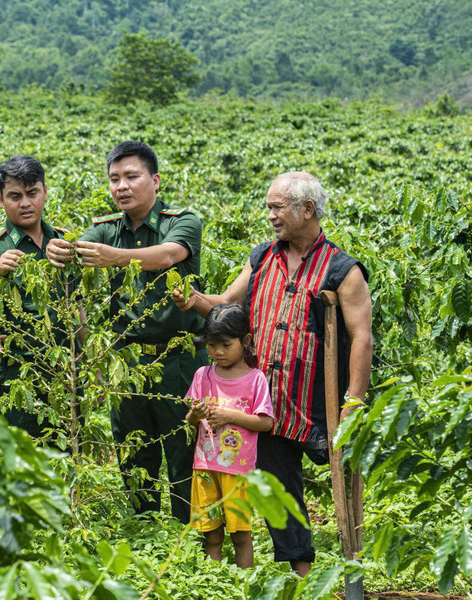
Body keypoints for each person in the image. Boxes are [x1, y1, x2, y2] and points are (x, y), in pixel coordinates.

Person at [173, 171, 373, 576]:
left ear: (307, 210)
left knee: (342, 475)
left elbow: (362, 338)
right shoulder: (262, 257)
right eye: (270, 207)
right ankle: (299, 570)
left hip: (318, 400)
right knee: (281, 489)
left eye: (277, 207)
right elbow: (224, 305)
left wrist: (354, 399)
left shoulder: (343, 270)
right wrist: (192, 300)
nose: (271, 216)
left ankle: (354, 564)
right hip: (269, 401)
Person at [45, 141, 208, 522]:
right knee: (134, 452)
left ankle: (192, 533)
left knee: (185, 448)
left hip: (180, 357)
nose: (122, 186)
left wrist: (114, 258)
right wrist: (58, 251)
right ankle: (143, 526)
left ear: (155, 180)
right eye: (114, 179)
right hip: (128, 359)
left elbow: (168, 255)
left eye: (131, 177)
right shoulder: (106, 229)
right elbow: (77, 251)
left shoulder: (182, 221)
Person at [0, 154, 69, 439]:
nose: (25, 203)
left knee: (65, 461)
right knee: (22, 466)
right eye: (15, 196)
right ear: (1, 200)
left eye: (32, 193)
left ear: (45, 192)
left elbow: (76, 308)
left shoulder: (62, 242)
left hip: (65, 373)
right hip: (18, 376)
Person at [185, 303, 273, 569]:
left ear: (245, 341)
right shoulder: (203, 375)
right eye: (211, 346)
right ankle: (214, 581)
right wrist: (195, 415)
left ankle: (243, 583)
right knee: (210, 533)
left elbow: (266, 422)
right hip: (204, 467)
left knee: (240, 535)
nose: (217, 352)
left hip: (238, 471)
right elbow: (190, 422)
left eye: (225, 344)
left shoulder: (255, 379)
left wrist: (229, 416)